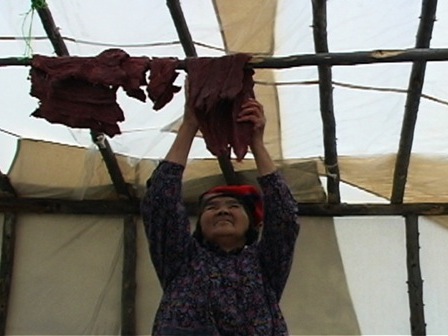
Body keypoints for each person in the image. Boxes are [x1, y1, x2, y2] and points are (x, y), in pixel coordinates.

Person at [141, 97, 300, 335]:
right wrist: (190, 125)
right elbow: (161, 201)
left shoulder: (264, 265)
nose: (222, 210)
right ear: (199, 223)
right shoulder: (181, 259)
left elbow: (284, 217)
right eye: (211, 207)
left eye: (233, 206)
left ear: (252, 224)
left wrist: (256, 142)